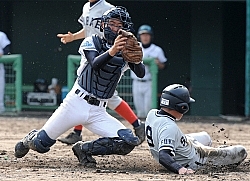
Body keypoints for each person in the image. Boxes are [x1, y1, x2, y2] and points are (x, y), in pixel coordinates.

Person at [15, 6, 146, 167]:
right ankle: (30, 139)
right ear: (103, 25)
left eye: (120, 25)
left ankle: (84, 149)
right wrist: (112, 50)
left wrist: (136, 59)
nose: (115, 28)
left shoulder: (124, 51)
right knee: (41, 145)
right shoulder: (92, 41)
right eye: (112, 24)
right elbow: (95, 64)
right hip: (75, 103)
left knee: (128, 142)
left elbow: (141, 73)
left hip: (99, 111)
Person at [57, 0, 145, 145]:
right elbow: (88, 30)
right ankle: (136, 125)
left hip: (106, 53)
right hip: (91, 52)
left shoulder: (109, 8)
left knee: (97, 94)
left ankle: (136, 124)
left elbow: (117, 28)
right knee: (85, 92)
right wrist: (73, 37)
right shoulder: (86, 7)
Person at [145, 84, 247, 174]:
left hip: (183, 146)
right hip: (193, 161)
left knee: (205, 137)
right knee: (241, 151)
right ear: (181, 107)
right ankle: (214, 157)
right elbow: (163, 156)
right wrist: (179, 169)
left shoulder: (152, 113)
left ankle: (214, 151)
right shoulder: (169, 127)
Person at [131, 25, 167, 119]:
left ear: (151, 36)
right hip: (136, 82)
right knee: (139, 110)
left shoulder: (157, 50)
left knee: (149, 109)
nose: (145, 37)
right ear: (139, 36)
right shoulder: (135, 47)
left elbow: (164, 65)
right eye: (143, 35)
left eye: (147, 35)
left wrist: (158, 63)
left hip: (149, 82)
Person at [0, 31, 11, 114]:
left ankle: (0, 107)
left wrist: (2, 53)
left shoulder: (1, 35)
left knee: (0, 88)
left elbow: (7, 50)